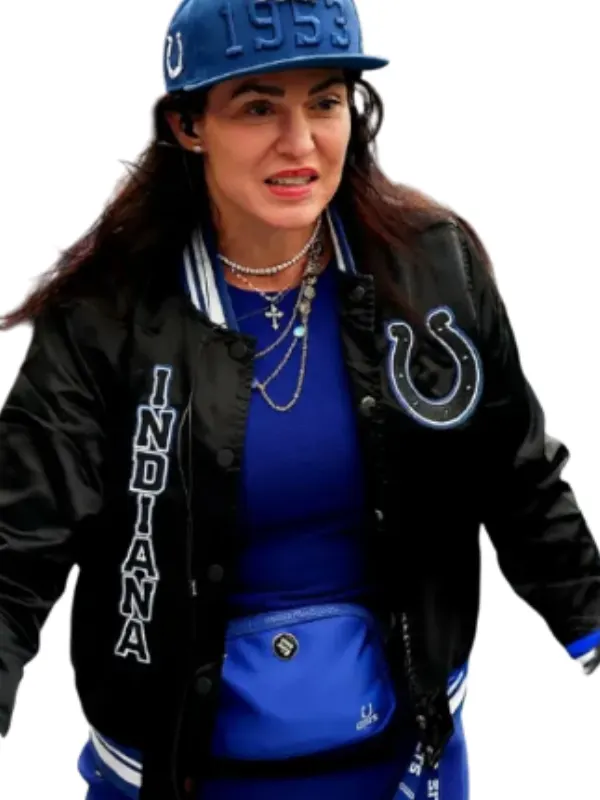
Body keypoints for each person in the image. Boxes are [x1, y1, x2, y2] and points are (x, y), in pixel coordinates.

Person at [0, 0, 599, 798]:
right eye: (258, 107)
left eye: (324, 101)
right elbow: (18, 546)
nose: (300, 141)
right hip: (175, 779)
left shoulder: (431, 270)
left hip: (404, 771)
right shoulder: (106, 318)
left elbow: (517, 481)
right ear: (188, 125)